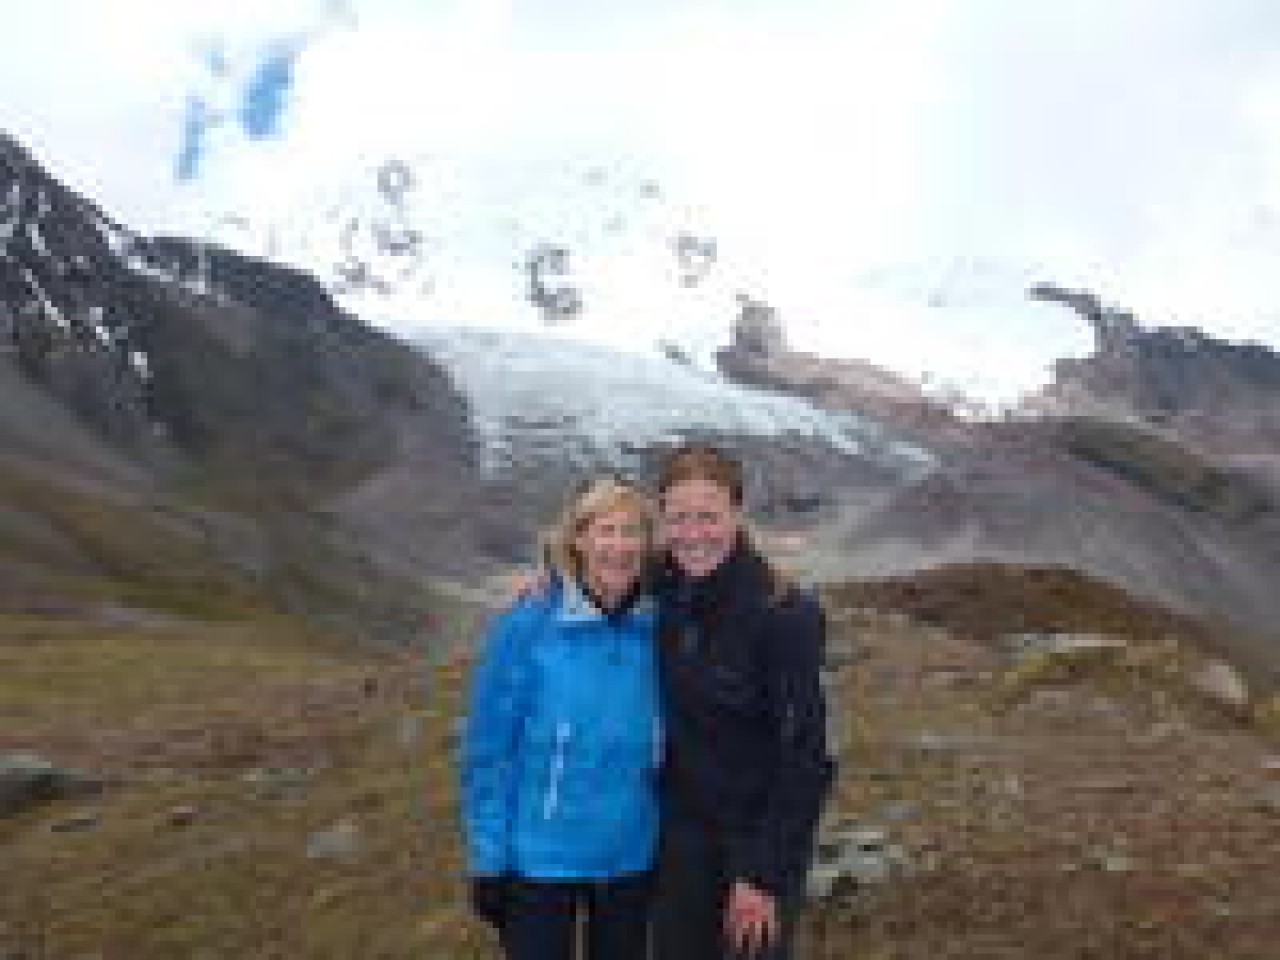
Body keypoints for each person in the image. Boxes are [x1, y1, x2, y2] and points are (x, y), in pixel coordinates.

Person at [460, 478, 662, 960]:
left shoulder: (659, 625)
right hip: (540, 861)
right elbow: (489, 751)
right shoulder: (529, 625)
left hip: (631, 856)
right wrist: (490, 860)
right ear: (578, 539)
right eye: (605, 531)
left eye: (631, 532)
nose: (619, 546)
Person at [649, 444, 834, 960]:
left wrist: (763, 875)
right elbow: (599, 571)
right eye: (678, 518)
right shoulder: (664, 586)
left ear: (737, 514)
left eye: (708, 517)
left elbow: (808, 758)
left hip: (754, 842)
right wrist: (553, 580)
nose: (692, 534)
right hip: (681, 840)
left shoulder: (785, 616)